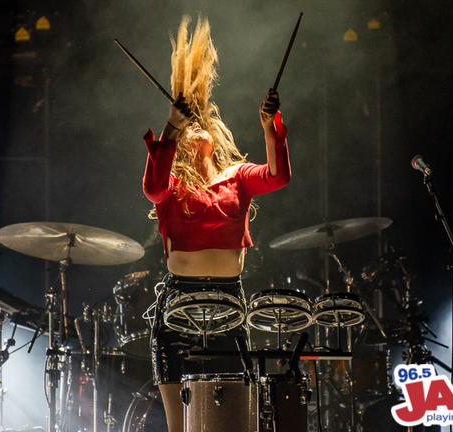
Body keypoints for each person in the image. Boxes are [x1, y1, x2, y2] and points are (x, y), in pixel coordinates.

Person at [140, 15, 291, 432]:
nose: (195, 131)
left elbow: (278, 176)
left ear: (215, 132)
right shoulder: (172, 185)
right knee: (180, 426)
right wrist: (171, 124)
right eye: (187, 129)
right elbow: (152, 188)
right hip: (179, 309)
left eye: (197, 125)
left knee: (235, 423)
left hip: (228, 303)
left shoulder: (238, 177)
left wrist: (269, 127)